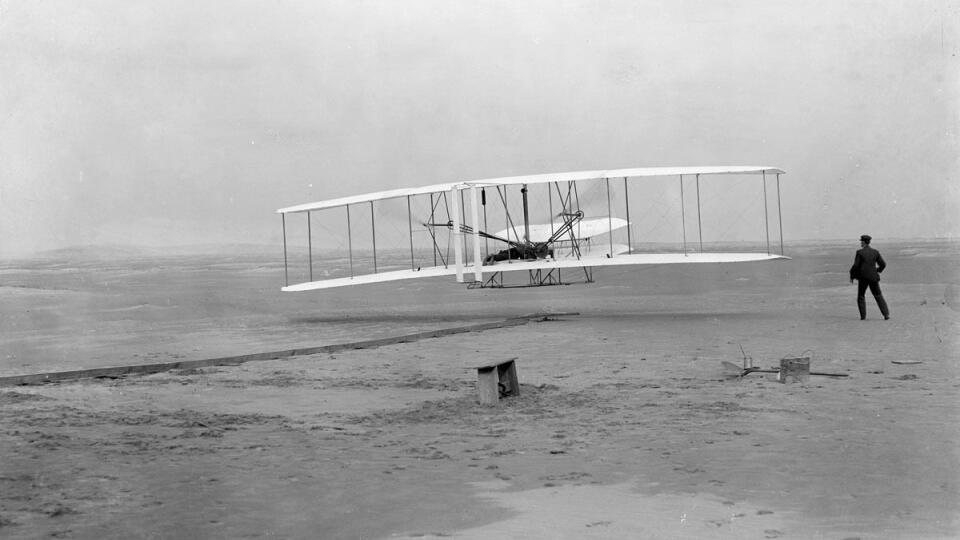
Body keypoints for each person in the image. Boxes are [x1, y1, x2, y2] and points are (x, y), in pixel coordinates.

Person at [849, 234, 890, 320]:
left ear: (864, 242)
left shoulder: (859, 252)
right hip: (873, 277)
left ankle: (863, 317)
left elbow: (856, 266)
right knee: (878, 295)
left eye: (861, 241)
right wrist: (877, 270)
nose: (860, 243)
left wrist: (852, 275)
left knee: (861, 296)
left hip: (863, 278)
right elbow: (883, 264)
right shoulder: (875, 252)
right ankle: (886, 315)